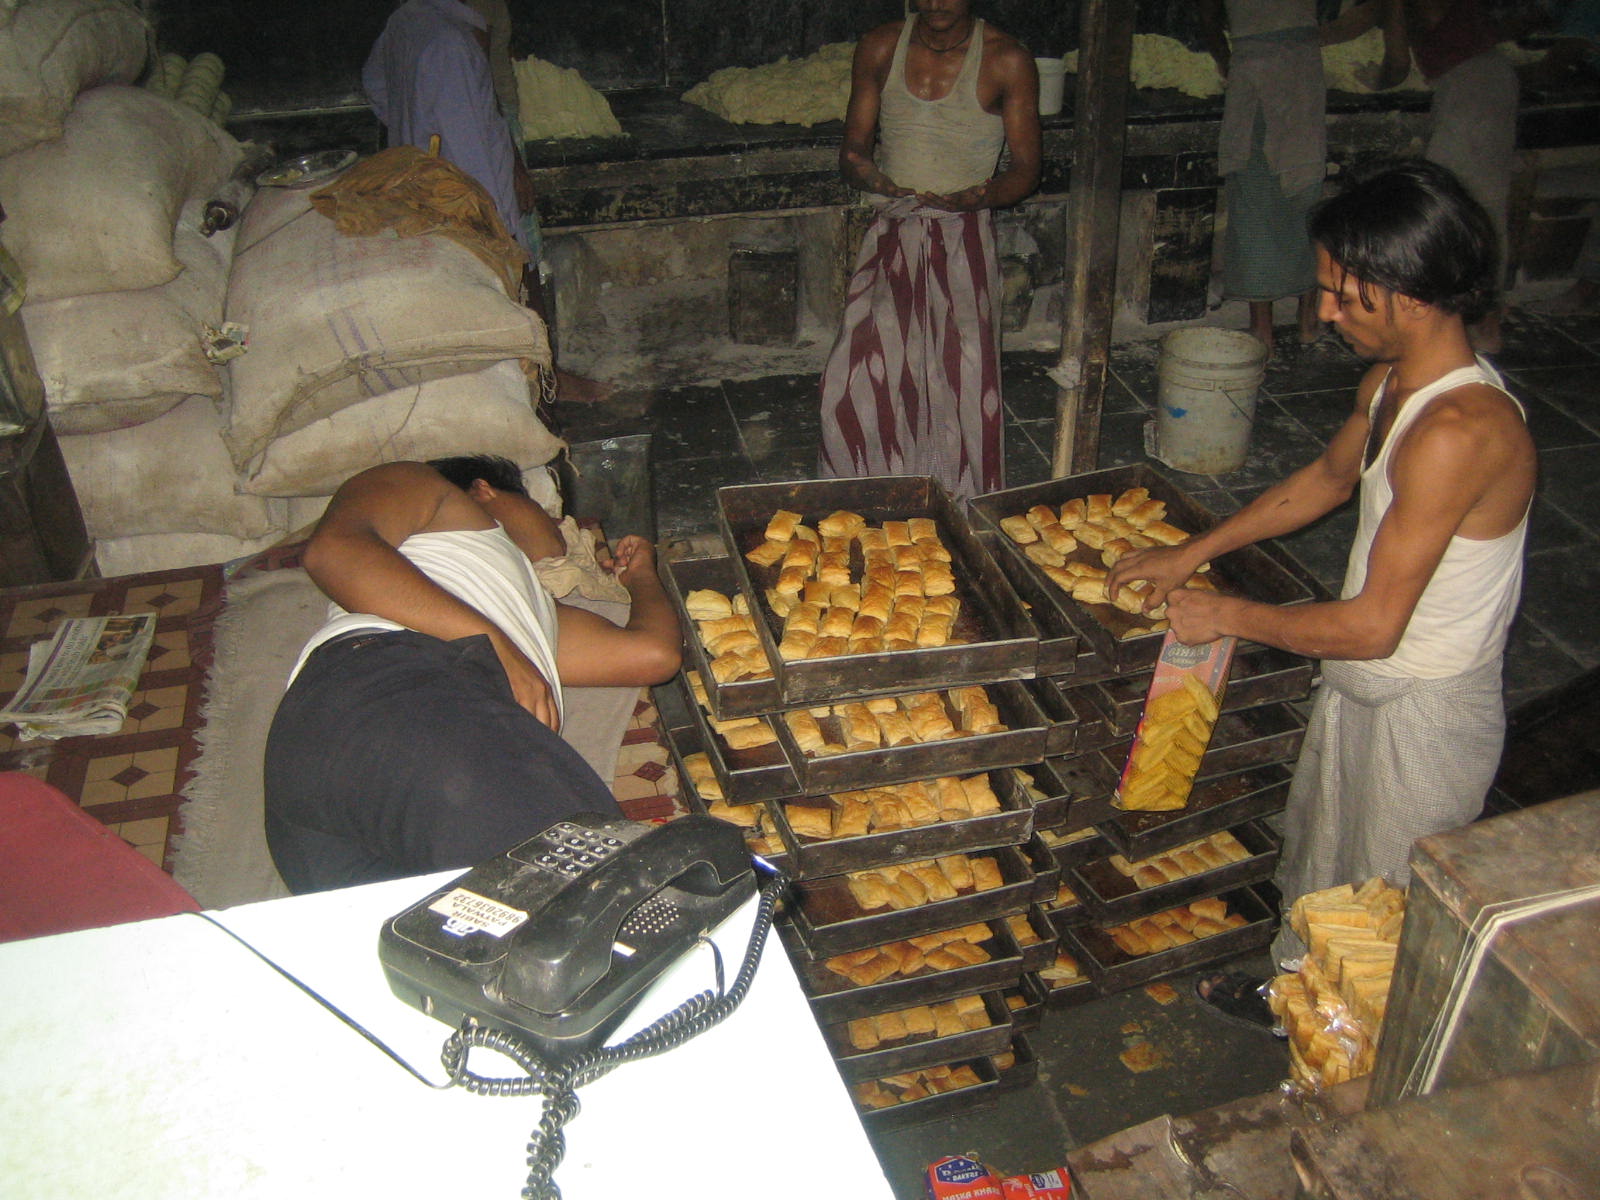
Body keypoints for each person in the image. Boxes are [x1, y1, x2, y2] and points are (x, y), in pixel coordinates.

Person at [1107, 160, 1536, 1025]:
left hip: (1425, 704)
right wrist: (1194, 551)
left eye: (1344, 295)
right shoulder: (1388, 387)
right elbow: (1327, 481)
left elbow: (1374, 626)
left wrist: (1228, 613)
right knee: (1324, 853)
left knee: (1388, 905)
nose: (1326, 312)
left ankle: (1352, 1066)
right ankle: (1296, 995)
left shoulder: (1462, 430)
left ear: (1407, 292)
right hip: (1365, 679)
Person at [263, 455, 683, 894]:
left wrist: (641, 577)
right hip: (393, 690)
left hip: (326, 772)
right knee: (599, 898)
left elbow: (653, 655)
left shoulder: (532, 614)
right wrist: (496, 647)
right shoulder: (426, 488)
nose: (560, 532)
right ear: (486, 491)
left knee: (473, 953)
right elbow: (333, 551)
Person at [817, 0, 1041, 501]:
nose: (937, 3)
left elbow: (1026, 169)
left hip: (962, 236)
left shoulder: (1006, 59)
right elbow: (853, 150)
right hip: (894, 230)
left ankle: (957, 508)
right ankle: (867, 498)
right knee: (856, 377)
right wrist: (872, 176)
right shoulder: (881, 46)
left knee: (958, 382)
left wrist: (980, 196)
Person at [1200, 0, 1327, 357]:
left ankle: (1285, 322)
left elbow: (1208, 19)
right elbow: (1208, 17)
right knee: (1275, 196)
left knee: (1290, 196)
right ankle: (1284, 323)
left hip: (1284, 69)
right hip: (1272, 70)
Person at [363, 0, 536, 253]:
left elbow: (375, 85)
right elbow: (471, 151)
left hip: (418, 183)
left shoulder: (404, 19)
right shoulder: (452, 46)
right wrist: (499, 229)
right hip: (462, 203)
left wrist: (413, 126)